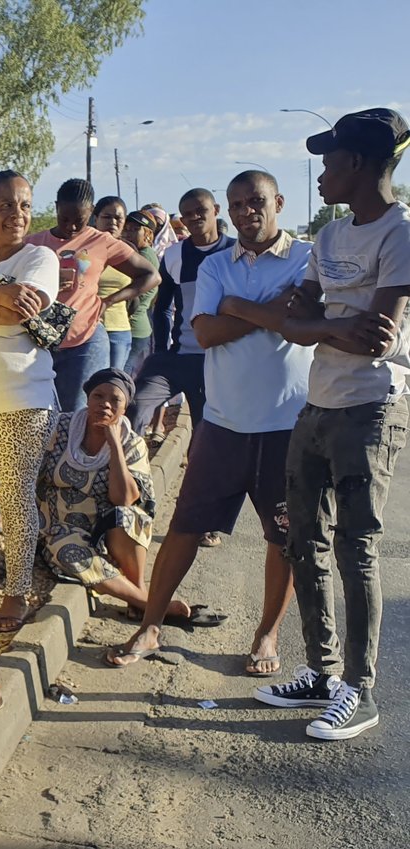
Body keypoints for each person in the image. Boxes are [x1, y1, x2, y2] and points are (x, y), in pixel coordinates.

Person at [110, 171, 312, 672]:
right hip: (222, 424)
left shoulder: (307, 259)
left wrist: (239, 309)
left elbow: (303, 326)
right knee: (184, 528)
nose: (246, 212)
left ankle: (266, 635)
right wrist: (267, 311)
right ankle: (150, 626)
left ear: (279, 202)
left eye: (256, 202)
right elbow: (207, 330)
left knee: (283, 536)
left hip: (287, 425)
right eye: (237, 204)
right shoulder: (217, 264)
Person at [256, 108, 410, 741]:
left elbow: (380, 336)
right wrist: (329, 327)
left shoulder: (399, 233)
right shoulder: (329, 238)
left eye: (330, 160)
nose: (321, 173)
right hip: (316, 405)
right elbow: (295, 325)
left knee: (356, 548)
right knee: (303, 541)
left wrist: (320, 323)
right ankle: (321, 673)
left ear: (361, 163)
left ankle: (360, 688)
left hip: (369, 407)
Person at [37, 369, 206, 620]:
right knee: (68, 552)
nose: (105, 404)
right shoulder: (61, 428)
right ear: (88, 399)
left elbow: (125, 499)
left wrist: (114, 444)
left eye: (115, 400)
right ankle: (148, 603)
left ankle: (139, 594)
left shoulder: (132, 442)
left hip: (105, 531)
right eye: (98, 396)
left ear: (125, 408)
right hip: (59, 528)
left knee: (130, 516)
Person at [0, 170, 61, 633]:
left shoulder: (40, 256)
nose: (18, 214)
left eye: (25, 205)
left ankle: (15, 592)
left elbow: (32, 307)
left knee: (14, 497)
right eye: (6, 205)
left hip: (23, 398)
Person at [25, 179, 159, 411]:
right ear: (56, 207)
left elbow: (151, 276)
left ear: (92, 213)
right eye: (65, 219)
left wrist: (108, 301)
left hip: (84, 342)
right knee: (40, 414)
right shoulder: (34, 243)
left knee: (77, 414)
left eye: (80, 221)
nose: (72, 227)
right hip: (41, 342)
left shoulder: (101, 241)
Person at [128, 188, 237, 433]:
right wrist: (163, 352)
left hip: (219, 358)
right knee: (135, 405)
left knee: (205, 429)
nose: (195, 217)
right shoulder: (175, 254)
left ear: (216, 211)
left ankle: (199, 468)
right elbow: (163, 307)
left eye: (201, 211)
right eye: (188, 214)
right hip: (180, 355)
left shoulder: (236, 252)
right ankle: (131, 464)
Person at [92, 196, 136, 369]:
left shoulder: (129, 252)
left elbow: (149, 281)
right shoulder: (83, 249)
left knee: (113, 384)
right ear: (96, 219)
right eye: (107, 217)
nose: (113, 222)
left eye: (118, 218)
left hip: (119, 329)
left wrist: (110, 300)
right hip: (88, 330)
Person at [119, 207, 165, 374]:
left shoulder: (144, 257)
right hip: (136, 327)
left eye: (136, 229)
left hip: (134, 327)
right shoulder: (139, 253)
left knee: (121, 374)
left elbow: (135, 299)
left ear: (147, 234)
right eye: (127, 228)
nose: (129, 233)